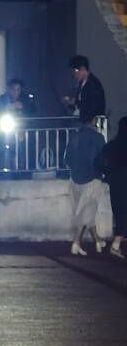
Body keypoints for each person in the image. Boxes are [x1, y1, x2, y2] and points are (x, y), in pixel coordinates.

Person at [66, 115, 108, 256]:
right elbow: (103, 159)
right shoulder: (98, 138)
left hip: (75, 178)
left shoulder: (74, 137)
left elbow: (67, 159)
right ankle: (76, 242)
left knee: (87, 213)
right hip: (92, 178)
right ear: (94, 120)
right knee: (86, 212)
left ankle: (98, 241)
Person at [96, 118, 127, 260]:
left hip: (116, 183)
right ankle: (116, 244)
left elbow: (97, 163)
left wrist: (107, 173)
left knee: (119, 213)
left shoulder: (111, 146)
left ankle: (117, 244)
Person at [63, 55, 106, 125]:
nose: (74, 74)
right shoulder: (83, 83)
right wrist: (74, 102)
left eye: (76, 71)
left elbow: (92, 106)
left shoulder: (93, 84)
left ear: (83, 68)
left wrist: (88, 122)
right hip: (87, 122)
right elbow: (84, 103)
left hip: (93, 123)